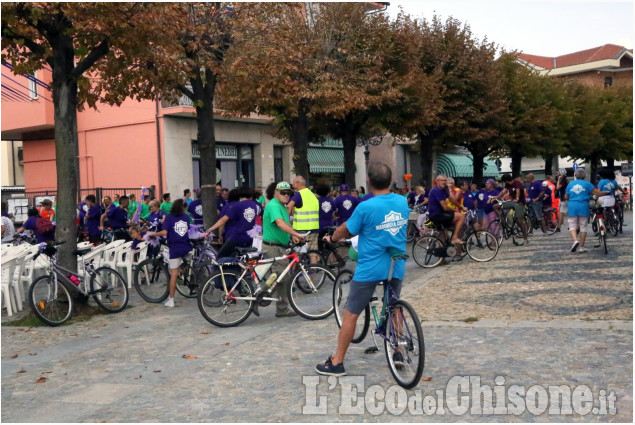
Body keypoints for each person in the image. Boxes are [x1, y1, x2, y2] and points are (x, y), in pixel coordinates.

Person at [316, 161, 409, 376]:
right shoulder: (402, 201)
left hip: (371, 267)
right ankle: (399, 350)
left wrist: (333, 237)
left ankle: (337, 361)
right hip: (396, 264)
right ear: (391, 180)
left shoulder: (366, 207)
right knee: (394, 305)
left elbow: (346, 230)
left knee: (351, 314)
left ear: (368, 182)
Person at [261, 181, 307, 318]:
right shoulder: (274, 206)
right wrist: (296, 233)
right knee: (279, 276)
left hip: (279, 246)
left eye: (289, 193)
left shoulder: (282, 206)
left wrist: (291, 236)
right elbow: (280, 224)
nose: (286, 195)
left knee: (281, 277)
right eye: (283, 192)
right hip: (273, 247)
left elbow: (284, 224)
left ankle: (280, 308)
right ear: (275, 192)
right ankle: (260, 297)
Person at [147, 199, 193, 307]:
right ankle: (185, 273)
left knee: (173, 274)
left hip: (175, 247)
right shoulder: (186, 217)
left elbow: (164, 232)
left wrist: (153, 234)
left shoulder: (169, 218)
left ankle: (171, 300)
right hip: (186, 246)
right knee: (184, 264)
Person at [203, 187, 261, 257]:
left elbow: (223, 220)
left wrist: (210, 229)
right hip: (250, 238)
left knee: (221, 258)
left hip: (236, 237)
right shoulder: (255, 205)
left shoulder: (237, 206)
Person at [565, 168, 604, 253]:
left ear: (575, 175)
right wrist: (606, 192)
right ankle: (581, 247)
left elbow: (565, 197)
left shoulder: (570, 184)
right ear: (584, 176)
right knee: (583, 227)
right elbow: (597, 193)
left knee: (572, 225)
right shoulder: (588, 184)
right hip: (583, 206)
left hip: (572, 207)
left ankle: (575, 241)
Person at [427, 174, 465, 245]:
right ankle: (455, 238)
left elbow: (452, 199)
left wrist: (460, 207)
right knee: (461, 216)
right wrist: (455, 210)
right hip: (437, 215)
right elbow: (444, 207)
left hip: (440, 214)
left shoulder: (443, 189)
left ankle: (443, 252)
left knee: (449, 230)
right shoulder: (436, 190)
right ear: (437, 181)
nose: (444, 182)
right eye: (442, 180)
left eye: (445, 180)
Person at [287, 176, 320, 257]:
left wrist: (286, 220)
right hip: (314, 228)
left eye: (294, 184)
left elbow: (289, 206)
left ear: (299, 183)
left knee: (299, 255)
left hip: (301, 230)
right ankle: (313, 269)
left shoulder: (299, 195)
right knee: (313, 253)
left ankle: (299, 270)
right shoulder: (313, 195)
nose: (293, 186)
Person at [496, 173, 528, 244]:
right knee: (496, 206)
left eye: (504, 181)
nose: (504, 183)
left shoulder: (516, 182)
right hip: (512, 202)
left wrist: (517, 198)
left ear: (506, 180)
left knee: (520, 221)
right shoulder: (508, 184)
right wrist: (496, 197)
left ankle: (525, 238)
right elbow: (503, 191)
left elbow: (518, 191)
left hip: (519, 203)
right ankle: (503, 221)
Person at [315, 183, 335, 251]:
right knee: (329, 244)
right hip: (329, 224)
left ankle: (320, 256)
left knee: (319, 243)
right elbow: (333, 212)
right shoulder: (331, 200)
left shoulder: (316, 201)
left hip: (319, 225)